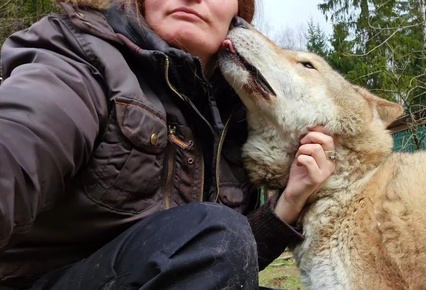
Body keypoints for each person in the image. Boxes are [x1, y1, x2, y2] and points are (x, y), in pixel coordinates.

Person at [0, 0, 336, 289]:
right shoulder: (82, 59)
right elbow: (19, 141)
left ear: (239, 8)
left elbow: (210, 260)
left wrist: (290, 201)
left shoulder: (236, 113)